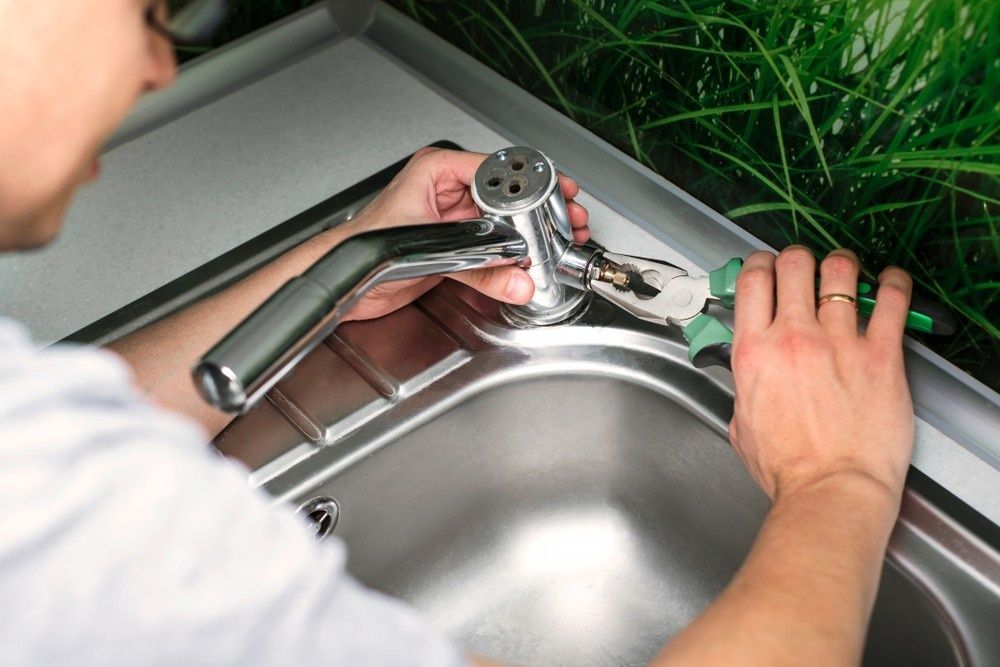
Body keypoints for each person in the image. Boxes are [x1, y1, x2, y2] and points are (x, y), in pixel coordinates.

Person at [0, 1, 916, 665]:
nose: (160, 66)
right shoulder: (79, 538)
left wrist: (344, 264)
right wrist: (839, 480)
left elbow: (56, 437)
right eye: (149, 9)